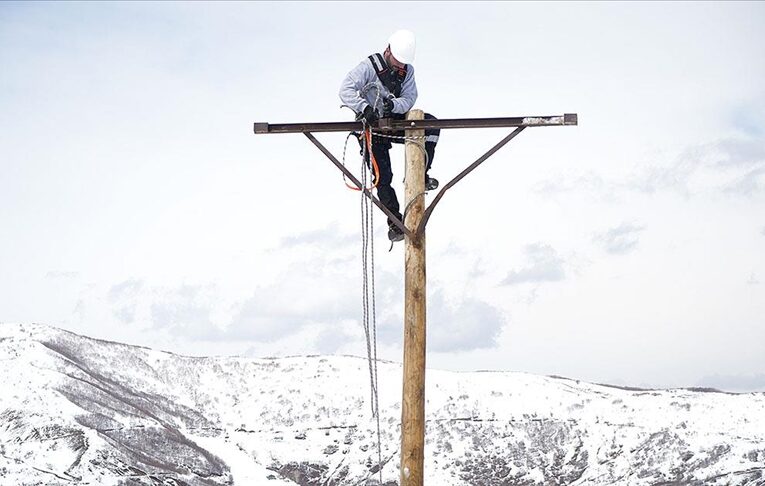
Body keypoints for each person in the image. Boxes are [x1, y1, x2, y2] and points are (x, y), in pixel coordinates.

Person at [339, 29, 440, 242]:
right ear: (388, 51)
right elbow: (346, 90)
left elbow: (410, 97)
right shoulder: (369, 67)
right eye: (397, 62)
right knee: (383, 177)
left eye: (403, 64)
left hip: (393, 119)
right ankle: (395, 223)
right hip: (371, 127)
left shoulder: (407, 71)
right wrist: (364, 107)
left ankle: (421, 174)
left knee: (430, 125)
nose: (400, 67)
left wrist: (393, 105)